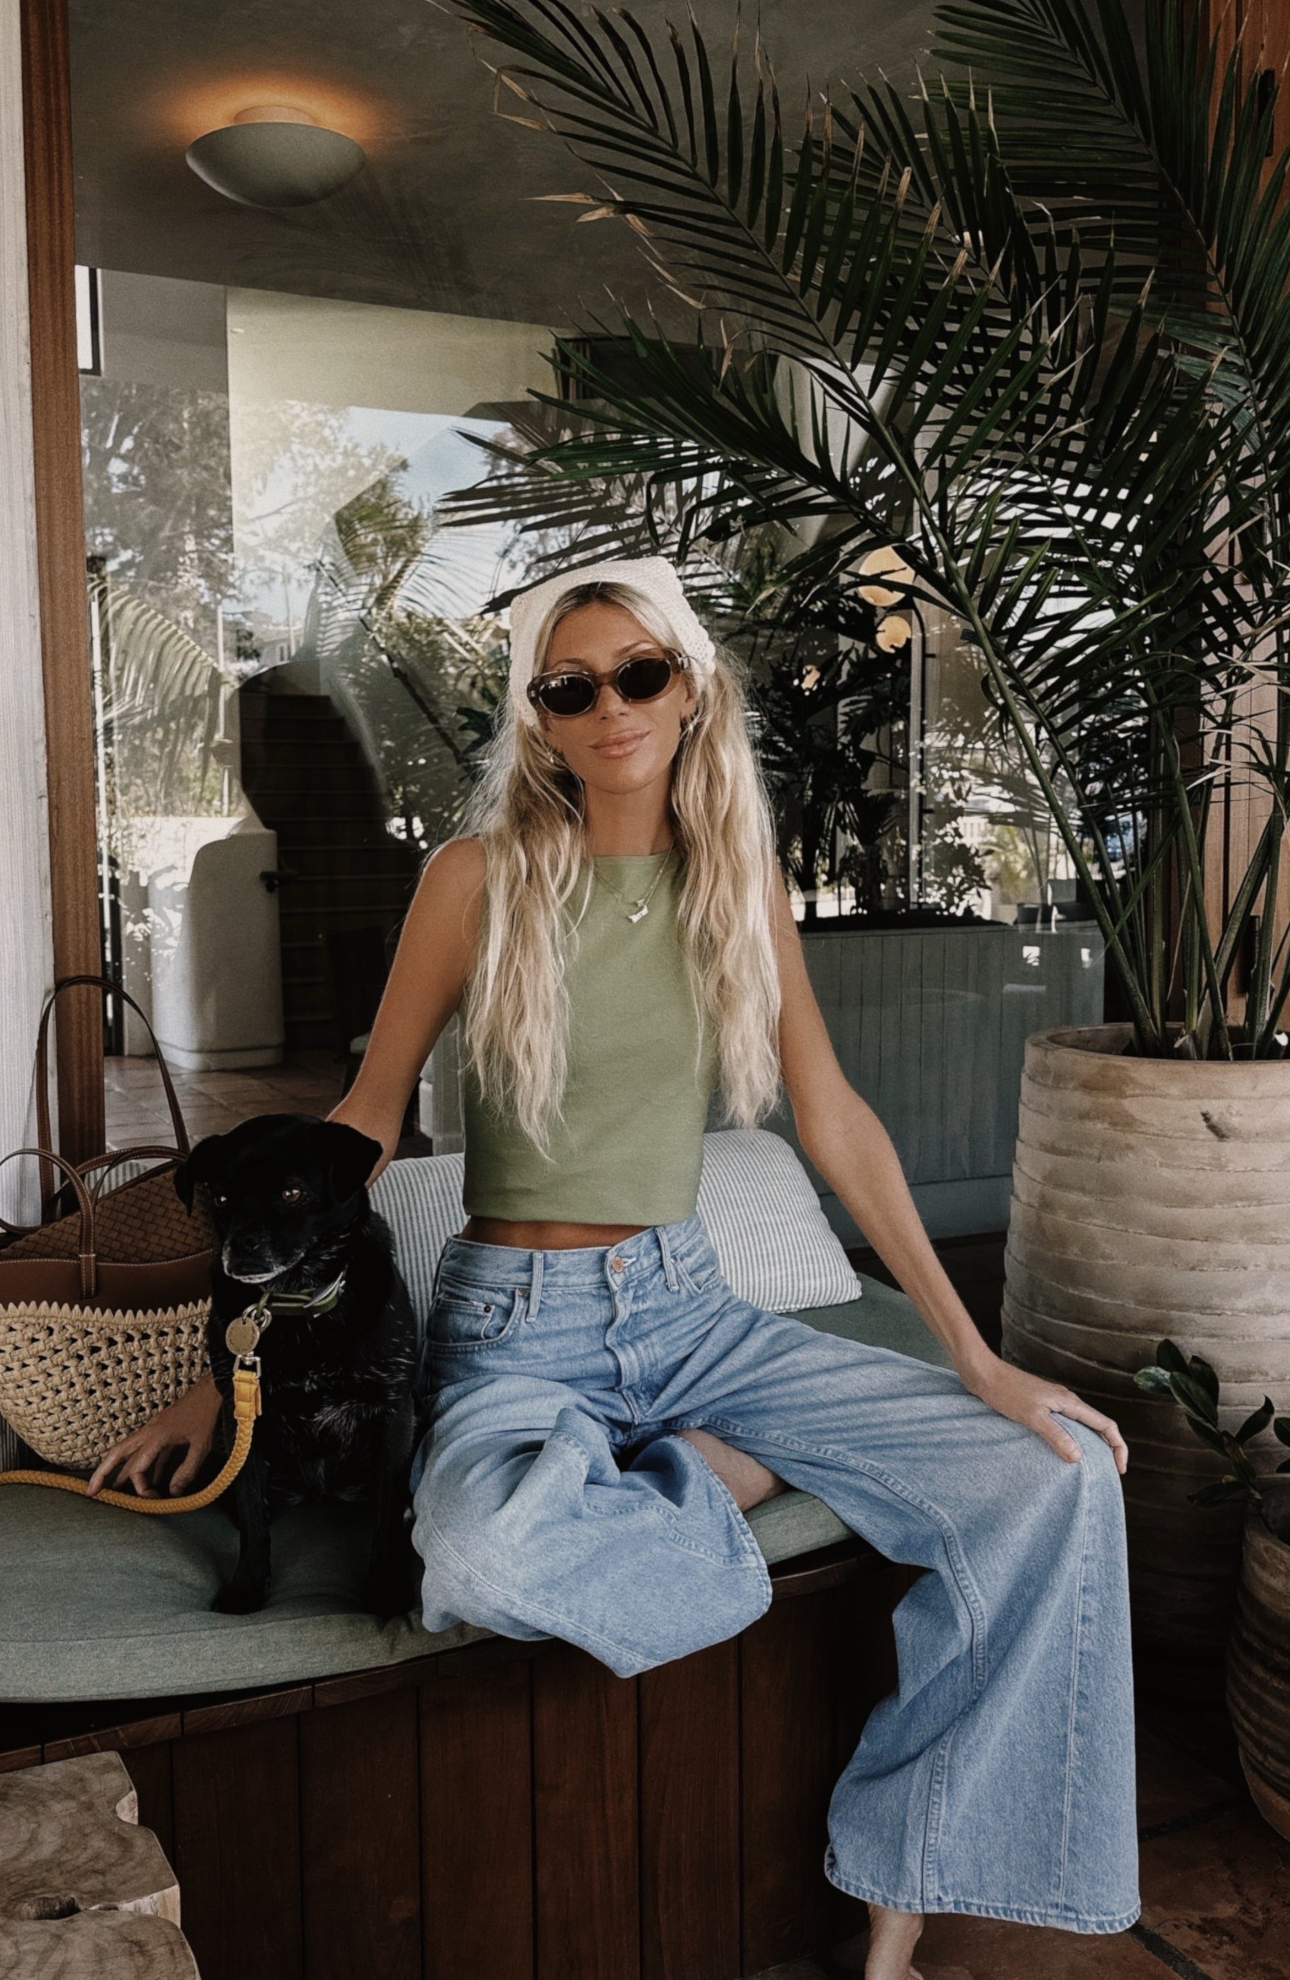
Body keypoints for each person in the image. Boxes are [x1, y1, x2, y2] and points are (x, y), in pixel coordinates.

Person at [92, 556, 1140, 1978]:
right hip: (516, 1331)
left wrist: (977, 1356)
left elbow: (832, 1116)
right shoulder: (475, 880)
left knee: (1054, 1478)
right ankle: (731, 1469)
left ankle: (903, 1897)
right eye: (570, 688)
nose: (610, 709)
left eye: (639, 675)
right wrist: (235, 1370)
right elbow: (359, 1129)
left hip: (693, 1310)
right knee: (477, 1554)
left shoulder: (738, 885)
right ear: (539, 716)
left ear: (690, 688)